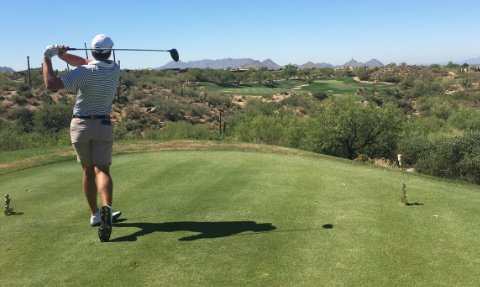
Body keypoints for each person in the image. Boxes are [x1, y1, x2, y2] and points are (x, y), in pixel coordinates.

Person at [43, 34, 122, 242]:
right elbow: (89, 63)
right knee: (102, 170)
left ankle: (96, 215)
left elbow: (51, 84)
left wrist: (48, 58)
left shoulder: (83, 73)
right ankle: (107, 209)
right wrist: (64, 55)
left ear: (92, 51)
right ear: (110, 52)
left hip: (81, 126)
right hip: (103, 125)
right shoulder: (114, 69)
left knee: (88, 171)